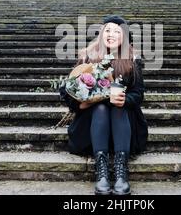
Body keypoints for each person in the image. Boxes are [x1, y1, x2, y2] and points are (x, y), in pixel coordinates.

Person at [59, 15, 148, 195]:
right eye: (107, 30)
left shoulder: (132, 59)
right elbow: (67, 90)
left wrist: (125, 99)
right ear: (101, 34)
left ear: (124, 36)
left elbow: (138, 94)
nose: (111, 34)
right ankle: (102, 171)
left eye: (117, 31)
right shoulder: (88, 56)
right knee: (100, 107)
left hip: (123, 125)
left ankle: (121, 170)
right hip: (92, 126)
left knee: (117, 106)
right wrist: (80, 104)